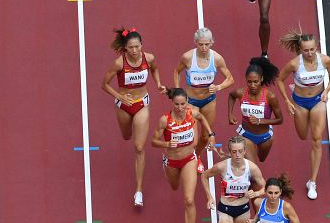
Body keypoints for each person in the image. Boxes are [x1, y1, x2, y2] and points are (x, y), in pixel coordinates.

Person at [102, 27, 167, 207]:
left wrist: (159, 84)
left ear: (141, 45)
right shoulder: (119, 64)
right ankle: (129, 129)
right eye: (130, 47)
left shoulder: (149, 58)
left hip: (141, 104)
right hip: (123, 105)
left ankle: (138, 191)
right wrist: (119, 96)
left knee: (139, 147)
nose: (134, 50)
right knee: (126, 136)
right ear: (125, 48)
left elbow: (154, 69)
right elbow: (104, 84)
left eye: (137, 46)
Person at [152, 88, 218, 223]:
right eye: (177, 104)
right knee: (174, 187)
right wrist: (167, 145)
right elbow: (154, 141)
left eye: (183, 104)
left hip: (189, 159)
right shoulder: (164, 120)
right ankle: (165, 164)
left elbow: (202, 117)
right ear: (171, 103)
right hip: (172, 161)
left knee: (189, 199)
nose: (180, 107)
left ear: (187, 102)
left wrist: (210, 134)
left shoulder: (192, 113)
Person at [276, 30, 330, 199]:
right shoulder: (295, 64)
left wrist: (326, 90)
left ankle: (313, 181)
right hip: (300, 103)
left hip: (318, 101)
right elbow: (279, 80)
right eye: (305, 50)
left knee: (317, 138)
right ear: (300, 50)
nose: (309, 53)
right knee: (303, 135)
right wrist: (288, 101)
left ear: (316, 47)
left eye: (312, 49)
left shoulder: (325, 60)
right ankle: (295, 88)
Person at [201, 135, 266, 223]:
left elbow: (265, 186)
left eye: (240, 151)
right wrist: (209, 197)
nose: (237, 155)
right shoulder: (223, 167)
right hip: (225, 209)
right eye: (234, 151)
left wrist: (256, 194)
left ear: (244, 151)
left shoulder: (251, 168)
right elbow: (204, 176)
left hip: (243, 209)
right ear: (230, 151)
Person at [173, 27, 234, 162]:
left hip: (209, 101)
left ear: (212, 42)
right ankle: (184, 157)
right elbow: (176, 72)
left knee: (205, 137)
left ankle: (195, 157)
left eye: (207, 44)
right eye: (201, 44)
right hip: (191, 101)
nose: (204, 47)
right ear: (196, 42)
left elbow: (230, 78)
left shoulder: (217, 58)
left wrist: (218, 87)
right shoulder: (188, 57)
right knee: (192, 137)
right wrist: (178, 91)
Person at [227, 57, 283, 163]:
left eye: (256, 81)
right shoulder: (241, 93)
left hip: (265, 137)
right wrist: (230, 114)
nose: (252, 85)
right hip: (246, 135)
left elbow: (280, 119)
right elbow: (231, 96)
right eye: (249, 82)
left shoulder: (270, 97)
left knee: (261, 159)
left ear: (261, 79)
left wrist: (260, 121)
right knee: (252, 169)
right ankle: (248, 153)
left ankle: (252, 151)